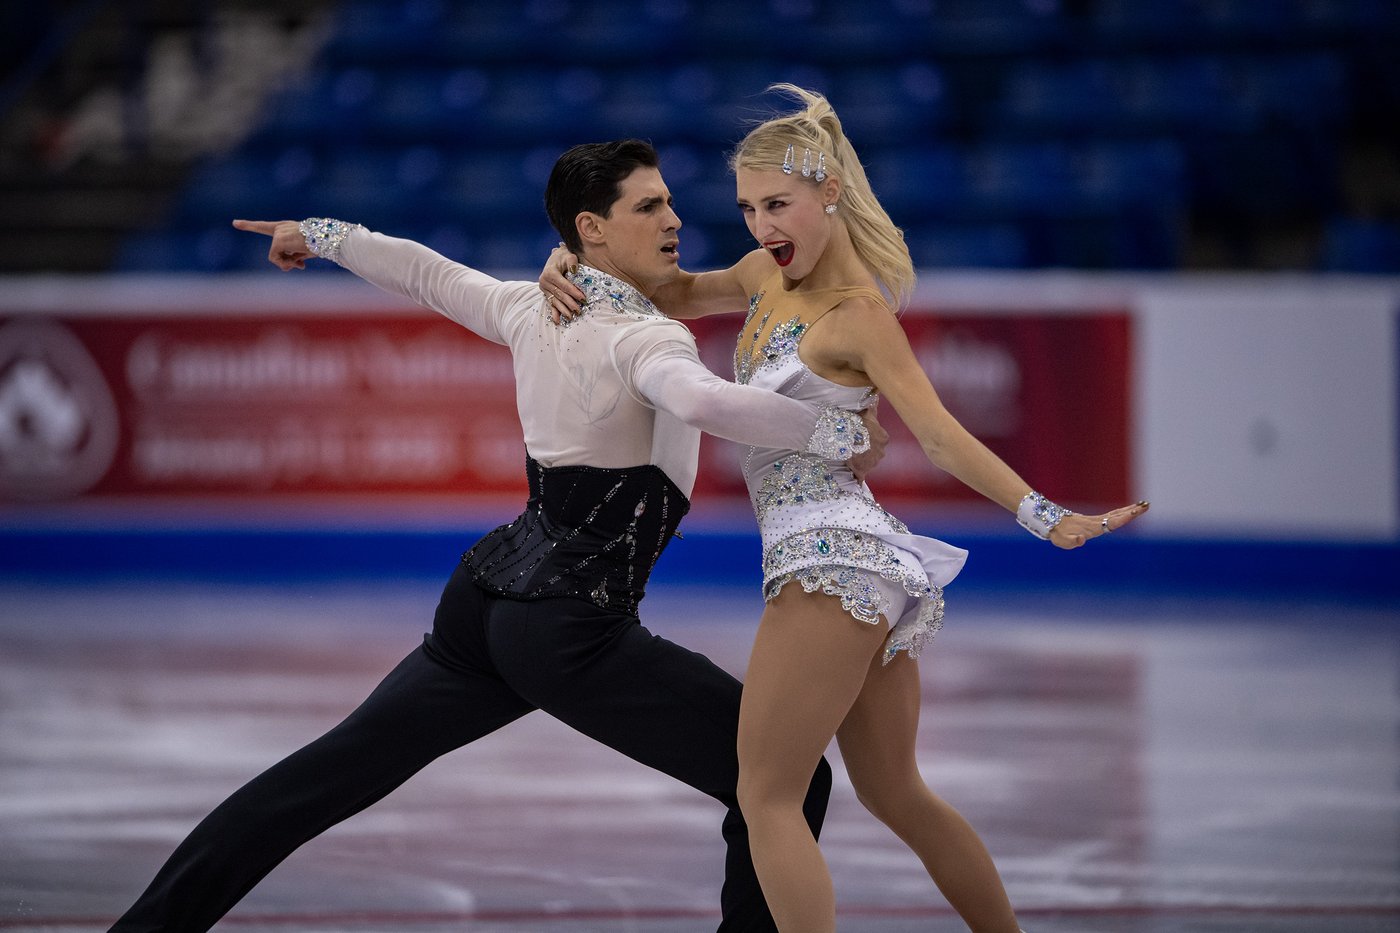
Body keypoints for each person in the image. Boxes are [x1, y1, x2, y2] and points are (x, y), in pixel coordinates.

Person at [109, 139, 891, 932]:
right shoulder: (645, 339)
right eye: (649, 206)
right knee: (786, 785)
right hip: (568, 628)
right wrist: (835, 432)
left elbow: (423, 270)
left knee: (326, 775)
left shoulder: (529, 303)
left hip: (486, 602)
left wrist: (314, 231)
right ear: (592, 227)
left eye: (669, 201)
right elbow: (700, 403)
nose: (675, 218)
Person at [540, 87, 1150, 933]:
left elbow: (937, 438)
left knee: (766, 797)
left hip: (827, 559)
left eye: (777, 204)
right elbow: (664, 292)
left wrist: (1051, 516)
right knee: (896, 791)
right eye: (749, 207)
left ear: (828, 191)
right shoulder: (762, 277)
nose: (761, 226)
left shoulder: (858, 316)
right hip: (865, 562)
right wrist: (565, 258)